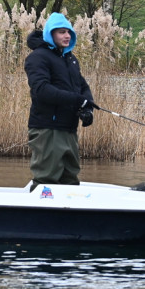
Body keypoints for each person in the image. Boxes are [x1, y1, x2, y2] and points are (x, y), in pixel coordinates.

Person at [24, 12, 94, 187]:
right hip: (47, 128)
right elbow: (42, 90)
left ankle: (68, 214)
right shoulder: (37, 57)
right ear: (50, 34)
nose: (67, 36)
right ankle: (37, 213)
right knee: (46, 179)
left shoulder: (70, 59)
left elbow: (82, 86)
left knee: (70, 179)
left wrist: (88, 107)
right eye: (62, 32)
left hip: (69, 128)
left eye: (69, 32)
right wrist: (77, 100)